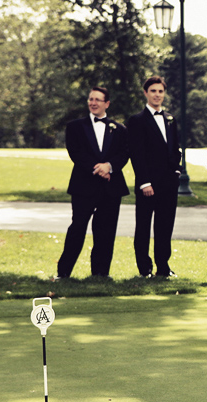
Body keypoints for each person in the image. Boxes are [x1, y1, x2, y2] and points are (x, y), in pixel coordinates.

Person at [56, 86, 130, 279]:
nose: (93, 103)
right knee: (77, 227)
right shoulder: (75, 127)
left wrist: (110, 166)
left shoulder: (119, 129)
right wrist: (98, 168)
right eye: (91, 99)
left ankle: (100, 273)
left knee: (106, 231)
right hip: (83, 186)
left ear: (107, 103)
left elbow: (124, 153)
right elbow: (76, 153)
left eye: (98, 99)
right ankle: (63, 273)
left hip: (111, 187)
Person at [127, 75, 182, 278]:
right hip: (147, 184)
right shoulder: (137, 121)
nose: (157, 95)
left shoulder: (170, 119)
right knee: (143, 227)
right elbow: (137, 154)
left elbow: (175, 148)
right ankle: (144, 269)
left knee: (164, 227)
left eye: (160, 91)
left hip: (169, 183)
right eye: (153, 91)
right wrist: (144, 182)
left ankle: (163, 267)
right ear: (145, 93)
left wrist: (177, 171)